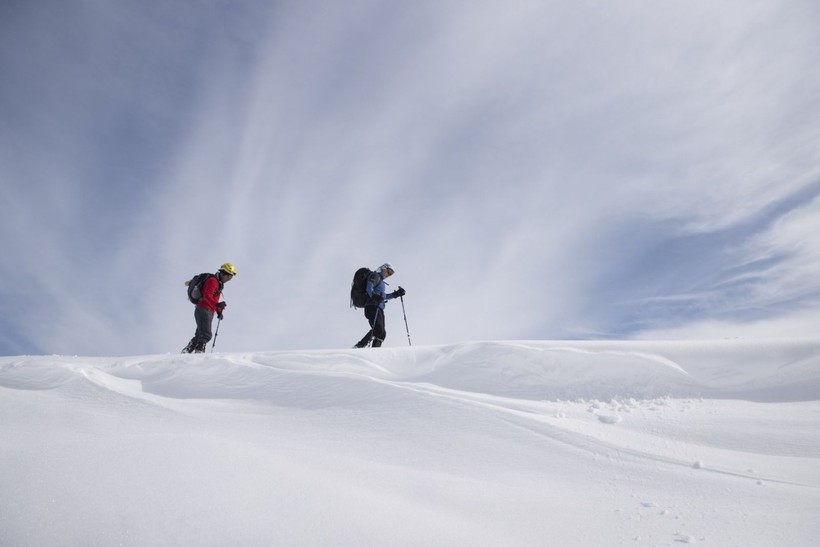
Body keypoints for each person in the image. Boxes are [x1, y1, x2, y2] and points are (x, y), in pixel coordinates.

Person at [183, 262, 236, 353]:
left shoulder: (219, 284)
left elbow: (212, 299)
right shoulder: (213, 281)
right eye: (228, 276)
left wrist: (218, 310)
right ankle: (199, 353)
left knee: (200, 334)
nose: (229, 279)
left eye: (231, 277)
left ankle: (187, 352)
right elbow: (207, 296)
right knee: (206, 334)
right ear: (223, 273)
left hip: (207, 310)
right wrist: (217, 305)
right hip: (203, 309)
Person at [354, 263, 405, 348]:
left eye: (391, 274)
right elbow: (369, 288)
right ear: (383, 268)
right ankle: (360, 345)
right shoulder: (375, 276)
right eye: (388, 271)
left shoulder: (381, 283)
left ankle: (375, 352)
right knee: (378, 329)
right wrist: (374, 296)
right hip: (372, 306)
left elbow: (384, 296)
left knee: (382, 333)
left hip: (378, 307)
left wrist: (396, 294)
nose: (388, 274)